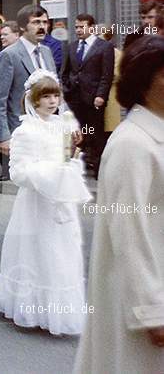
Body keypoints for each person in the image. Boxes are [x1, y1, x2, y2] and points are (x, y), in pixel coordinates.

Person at [74, 35, 164, 373]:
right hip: (140, 299)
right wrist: (152, 309)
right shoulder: (133, 145)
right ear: (143, 82)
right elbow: (128, 230)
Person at [0, 69, 91, 335]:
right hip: (36, 203)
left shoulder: (64, 126)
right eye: (45, 96)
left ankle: (59, 309)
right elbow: (18, 172)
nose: (52, 101)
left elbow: (69, 159)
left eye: (55, 95)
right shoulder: (25, 131)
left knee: (61, 251)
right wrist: (50, 172)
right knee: (38, 251)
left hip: (60, 202)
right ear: (33, 100)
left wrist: (69, 167)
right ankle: (31, 307)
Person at [0, 5, 59, 183]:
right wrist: (3, 137)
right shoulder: (9, 56)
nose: (42, 26)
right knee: (27, 186)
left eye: (45, 22)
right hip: (21, 133)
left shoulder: (47, 52)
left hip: (48, 132)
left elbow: (56, 91)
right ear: (22, 27)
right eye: (36, 22)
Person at [61, 13, 114, 177]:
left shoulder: (104, 47)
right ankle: (74, 168)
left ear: (91, 27)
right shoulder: (71, 46)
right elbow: (64, 71)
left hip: (93, 99)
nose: (78, 30)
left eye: (82, 26)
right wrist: (66, 89)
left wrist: (101, 95)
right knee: (75, 133)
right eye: (76, 27)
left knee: (95, 134)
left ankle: (99, 169)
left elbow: (107, 75)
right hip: (74, 99)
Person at [0, 21, 20, 180]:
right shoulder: (5, 55)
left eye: (6, 34)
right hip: (9, 110)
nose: (2, 37)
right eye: (1, 35)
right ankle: (6, 171)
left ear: (17, 35)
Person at [99, 24, 123, 136]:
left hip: (110, 97)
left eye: (99, 34)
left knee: (109, 130)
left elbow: (116, 74)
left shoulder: (117, 54)